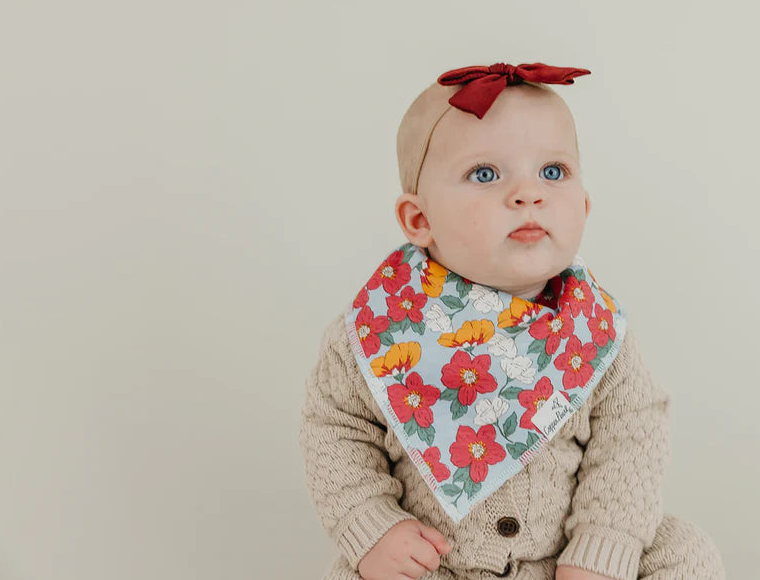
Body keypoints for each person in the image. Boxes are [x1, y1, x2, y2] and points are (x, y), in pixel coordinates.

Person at [299, 62, 726, 579]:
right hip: (436, 564)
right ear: (420, 220)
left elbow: (631, 443)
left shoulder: (596, 332)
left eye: (553, 172)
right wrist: (371, 527)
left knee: (684, 551)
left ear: (584, 206)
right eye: (485, 174)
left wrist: (600, 549)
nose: (529, 194)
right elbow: (336, 429)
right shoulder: (377, 329)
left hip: (560, 563)